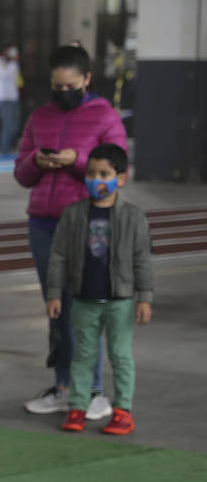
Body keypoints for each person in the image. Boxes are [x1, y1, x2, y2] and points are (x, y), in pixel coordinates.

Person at [13, 44, 127, 420]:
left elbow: (116, 174)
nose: (63, 93)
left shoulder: (103, 115)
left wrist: (76, 162)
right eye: (56, 87)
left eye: (71, 86)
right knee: (57, 310)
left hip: (86, 224)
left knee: (84, 311)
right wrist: (37, 160)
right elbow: (21, 174)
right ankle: (64, 386)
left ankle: (93, 391)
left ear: (87, 80)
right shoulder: (40, 116)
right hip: (43, 227)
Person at [45, 143, 153, 435]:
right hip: (84, 300)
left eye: (104, 173)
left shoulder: (133, 217)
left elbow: (142, 259)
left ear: (121, 178)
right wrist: (54, 293)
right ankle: (78, 407)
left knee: (120, 355)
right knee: (83, 355)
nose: (96, 179)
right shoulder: (73, 214)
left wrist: (144, 298)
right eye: (91, 173)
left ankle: (122, 411)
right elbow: (58, 256)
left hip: (120, 301)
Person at [0, 42, 22, 156]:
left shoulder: (14, 64)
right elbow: (4, 75)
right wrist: (13, 62)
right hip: (3, 97)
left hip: (14, 97)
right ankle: (4, 149)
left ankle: (7, 147)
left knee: (15, 126)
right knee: (7, 125)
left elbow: (17, 79)